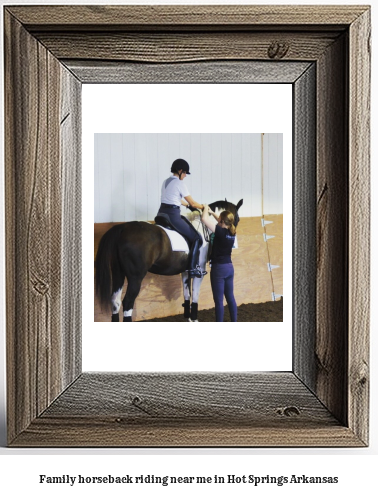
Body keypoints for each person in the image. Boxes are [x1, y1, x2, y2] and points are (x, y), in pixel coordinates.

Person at [156, 158, 207, 278]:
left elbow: (176, 199)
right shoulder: (180, 183)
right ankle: (192, 268)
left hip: (161, 214)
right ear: (180, 171)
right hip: (172, 216)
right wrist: (203, 207)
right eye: (184, 173)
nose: (185, 176)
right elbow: (194, 203)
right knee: (197, 238)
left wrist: (187, 205)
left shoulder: (166, 182)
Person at [201, 204, 237, 322]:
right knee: (230, 298)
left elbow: (204, 219)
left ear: (222, 221)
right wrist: (212, 212)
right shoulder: (232, 232)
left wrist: (206, 208)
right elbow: (222, 221)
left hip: (219, 269)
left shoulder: (220, 232)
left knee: (219, 301)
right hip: (229, 267)